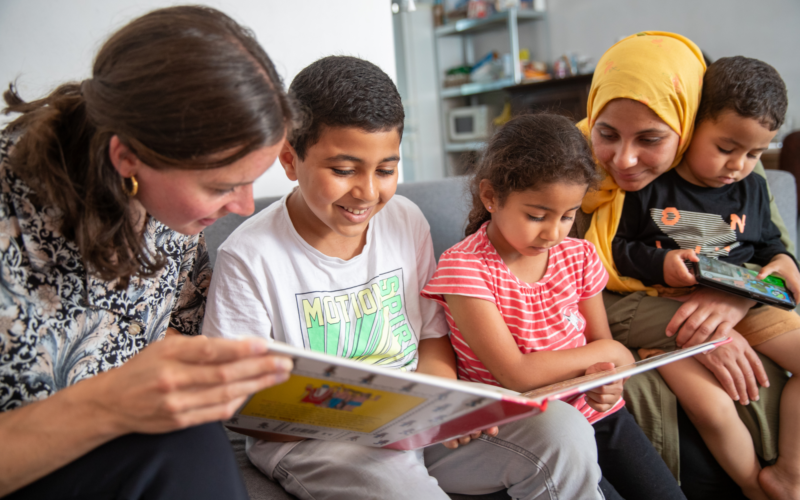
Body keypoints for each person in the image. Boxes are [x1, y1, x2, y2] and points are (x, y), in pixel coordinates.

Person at [203, 55, 607, 500]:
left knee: (562, 430)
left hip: (417, 422)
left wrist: (446, 406)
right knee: (397, 485)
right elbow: (239, 403)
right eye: (343, 170)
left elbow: (433, 339)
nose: (367, 191)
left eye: (386, 169)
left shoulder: (405, 220)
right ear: (289, 160)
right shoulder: (248, 255)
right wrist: (372, 421)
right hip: (319, 441)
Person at [0, 6, 296, 498]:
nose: (244, 208)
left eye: (250, 184)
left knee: (190, 436)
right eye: (222, 186)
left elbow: (183, 346)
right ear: (126, 157)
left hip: (111, 460)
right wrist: (108, 404)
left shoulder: (169, 220)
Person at [421, 113, 686, 500]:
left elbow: (607, 352)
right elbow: (517, 374)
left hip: (599, 415)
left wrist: (611, 380)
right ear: (490, 196)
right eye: (536, 215)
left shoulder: (577, 256)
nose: (553, 233)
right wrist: (609, 354)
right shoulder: (465, 268)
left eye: (567, 216)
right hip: (532, 429)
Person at [577, 31, 794, 497]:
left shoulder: (747, 178)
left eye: (651, 138)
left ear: (684, 124)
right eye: (608, 133)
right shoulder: (588, 175)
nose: (626, 159)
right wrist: (689, 318)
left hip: (743, 301)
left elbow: (771, 246)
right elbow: (608, 258)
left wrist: (757, 283)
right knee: (709, 402)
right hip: (647, 313)